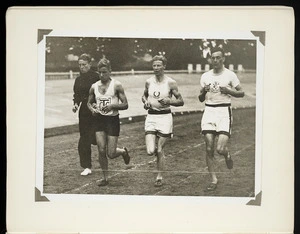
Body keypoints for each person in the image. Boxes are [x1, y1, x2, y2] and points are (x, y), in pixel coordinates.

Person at [198, 47, 244, 191]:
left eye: (218, 57)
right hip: (209, 111)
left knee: (220, 149)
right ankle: (213, 179)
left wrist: (229, 91)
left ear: (223, 59)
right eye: (213, 57)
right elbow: (200, 98)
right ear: (210, 59)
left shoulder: (230, 75)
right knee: (209, 147)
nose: (215, 60)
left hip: (224, 111)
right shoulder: (205, 76)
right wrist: (203, 91)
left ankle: (227, 154)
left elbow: (241, 93)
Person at [142, 55, 184, 187]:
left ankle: (159, 176)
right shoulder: (149, 82)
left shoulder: (170, 83)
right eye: (154, 65)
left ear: (164, 66)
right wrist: (146, 102)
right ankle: (159, 161)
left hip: (165, 117)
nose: (156, 68)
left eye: (159, 65)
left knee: (159, 149)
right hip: (151, 117)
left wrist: (169, 101)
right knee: (150, 151)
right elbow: (143, 96)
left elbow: (181, 101)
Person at [87, 58, 130, 186]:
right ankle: (105, 178)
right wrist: (92, 109)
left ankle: (122, 151)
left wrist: (112, 106)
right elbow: (89, 102)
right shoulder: (94, 86)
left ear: (110, 71)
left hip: (112, 120)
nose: (102, 75)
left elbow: (125, 104)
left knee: (111, 153)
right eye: (100, 72)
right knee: (101, 149)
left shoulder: (116, 85)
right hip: (99, 120)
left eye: (104, 72)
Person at [72, 53, 99, 176]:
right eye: (80, 65)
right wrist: (76, 104)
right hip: (84, 112)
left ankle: (119, 151)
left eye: (84, 64)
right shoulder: (78, 79)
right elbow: (77, 95)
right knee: (84, 139)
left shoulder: (96, 77)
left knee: (97, 139)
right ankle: (87, 166)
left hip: (97, 110)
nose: (82, 67)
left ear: (90, 64)